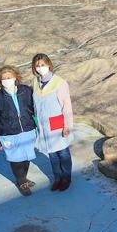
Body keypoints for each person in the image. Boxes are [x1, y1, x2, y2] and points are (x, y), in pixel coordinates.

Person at [0, 66, 38, 196]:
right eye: (3, 78)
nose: (6, 80)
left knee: (26, 157)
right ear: (0, 81)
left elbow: (35, 108)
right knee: (15, 159)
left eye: (9, 77)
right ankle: (22, 182)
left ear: (15, 77)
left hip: (27, 129)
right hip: (8, 133)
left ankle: (23, 178)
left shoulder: (26, 91)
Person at [31, 53, 74, 191]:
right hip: (43, 124)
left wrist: (67, 125)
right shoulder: (35, 82)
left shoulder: (59, 83)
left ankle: (66, 178)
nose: (40, 68)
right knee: (51, 154)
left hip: (57, 122)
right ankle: (57, 177)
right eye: (37, 66)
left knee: (63, 153)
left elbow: (66, 106)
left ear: (49, 64)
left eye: (42, 65)